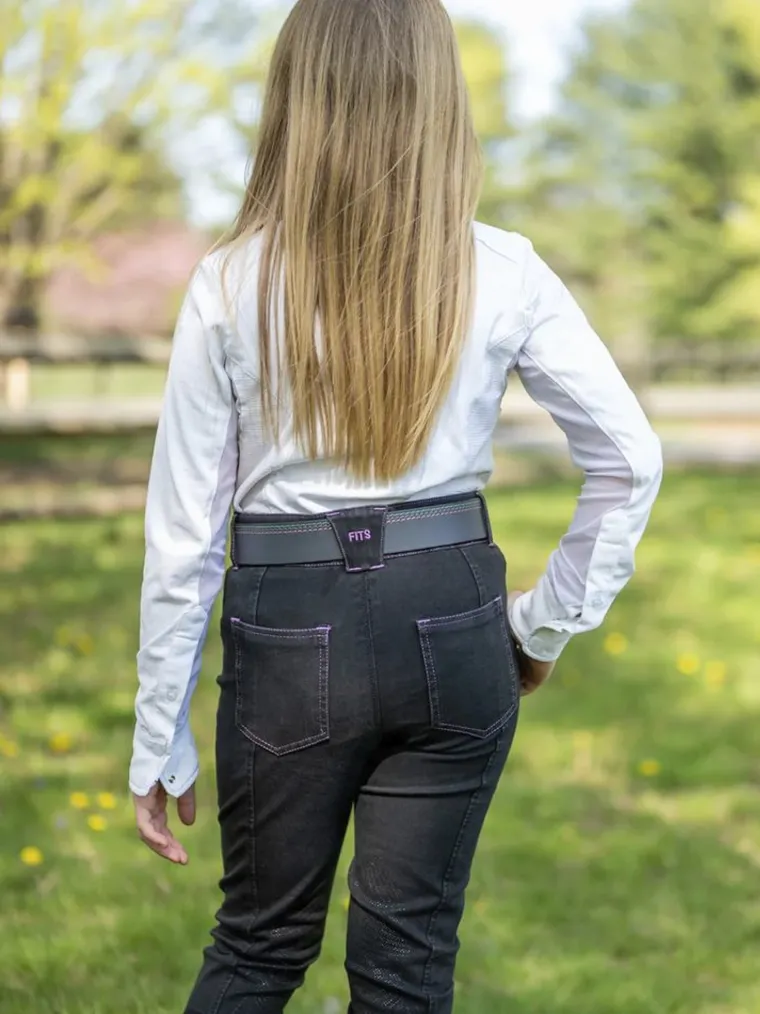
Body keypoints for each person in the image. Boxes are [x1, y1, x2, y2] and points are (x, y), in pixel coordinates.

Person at [128, 0, 663, 1010]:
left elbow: (184, 536)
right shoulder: (505, 268)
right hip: (451, 616)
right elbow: (630, 460)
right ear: (438, 99)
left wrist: (161, 728)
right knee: (407, 967)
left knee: (256, 948)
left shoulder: (228, 282)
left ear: (298, 97)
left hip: (289, 627)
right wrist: (544, 626)